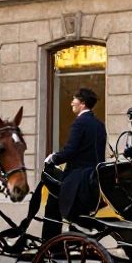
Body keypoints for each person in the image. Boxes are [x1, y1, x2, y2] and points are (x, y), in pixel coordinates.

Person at [38, 88, 107, 235]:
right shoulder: (99, 125)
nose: (71, 102)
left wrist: (53, 158)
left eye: (74, 99)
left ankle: (51, 241)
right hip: (94, 179)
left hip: (78, 180)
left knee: (52, 199)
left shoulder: (79, 123)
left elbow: (70, 151)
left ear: (82, 103)